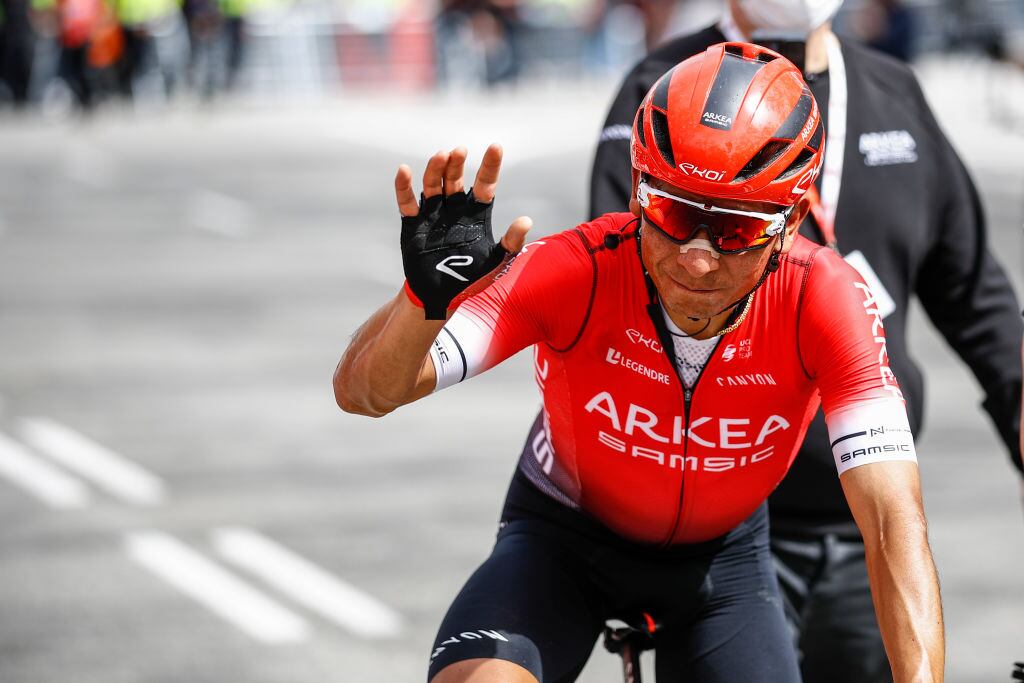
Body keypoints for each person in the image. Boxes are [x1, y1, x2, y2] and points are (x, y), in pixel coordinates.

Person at [335, 42, 944, 683]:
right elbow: (365, 393)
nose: (697, 258)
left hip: (723, 566)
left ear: (792, 223)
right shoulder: (578, 270)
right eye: (673, 212)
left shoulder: (823, 297)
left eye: (736, 230)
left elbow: (891, 522)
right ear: (636, 190)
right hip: (562, 542)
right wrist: (422, 304)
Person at [586, 1, 1024, 681]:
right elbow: (623, 284)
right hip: (728, 533)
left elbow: (971, 288)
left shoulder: (893, 89)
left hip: (868, 514)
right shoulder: (667, 85)